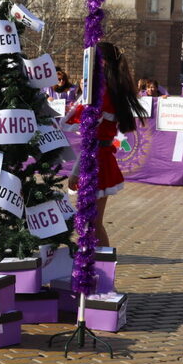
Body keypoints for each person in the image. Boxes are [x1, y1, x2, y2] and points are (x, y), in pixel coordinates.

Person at [66, 42, 147, 248]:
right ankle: (96, 260)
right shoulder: (107, 91)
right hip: (100, 158)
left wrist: (76, 171)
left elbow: (90, 139)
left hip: (96, 160)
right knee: (92, 222)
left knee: (92, 222)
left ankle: (100, 263)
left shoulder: (102, 94)